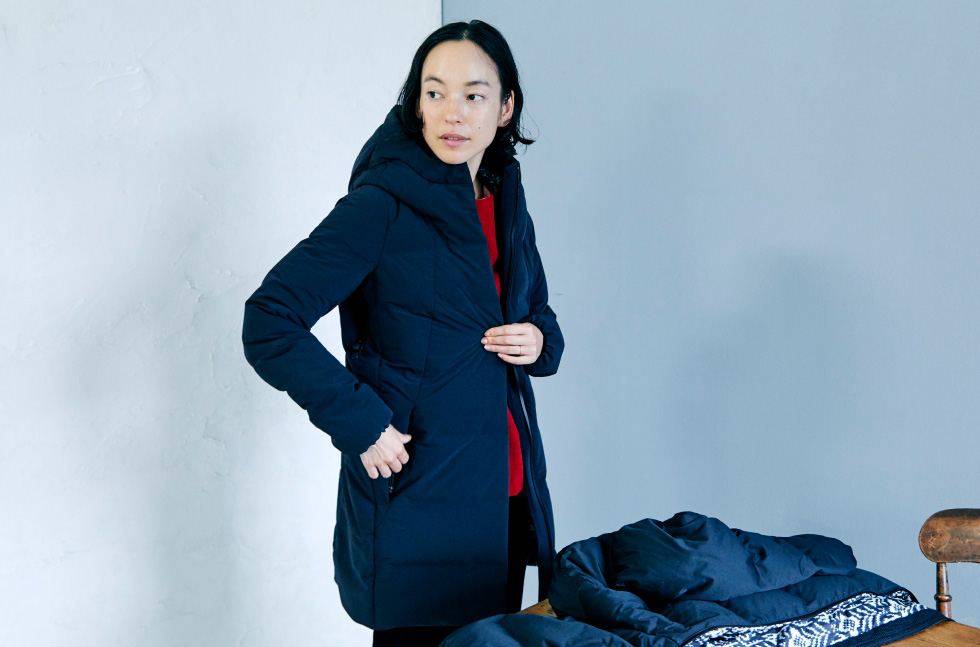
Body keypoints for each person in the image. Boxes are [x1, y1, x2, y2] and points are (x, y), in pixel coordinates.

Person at [242, 20, 564, 647]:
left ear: (505, 108)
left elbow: (540, 315)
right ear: (416, 102)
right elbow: (269, 320)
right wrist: (361, 422)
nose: (452, 112)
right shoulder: (382, 203)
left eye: (473, 95)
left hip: (501, 494)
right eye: (434, 92)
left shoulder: (504, 197)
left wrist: (538, 340)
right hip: (419, 496)